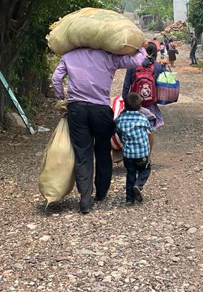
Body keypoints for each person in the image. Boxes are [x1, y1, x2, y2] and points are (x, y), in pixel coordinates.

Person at [52, 45, 146, 214]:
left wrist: (61, 98)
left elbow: (56, 79)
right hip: (101, 110)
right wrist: (143, 48)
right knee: (103, 150)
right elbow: (135, 60)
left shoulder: (69, 55)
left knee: (82, 154)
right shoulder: (108, 56)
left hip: (77, 109)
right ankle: (101, 192)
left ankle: (85, 199)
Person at [122, 42, 165, 151]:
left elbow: (126, 85)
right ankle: (148, 156)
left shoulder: (133, 65)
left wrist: (125, 102)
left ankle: (133, 152)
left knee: (133, 127)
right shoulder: (158, 66)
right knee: (149, 130)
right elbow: (163, 86)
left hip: (135, 104)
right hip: (151, 104)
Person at [115, 92, 153, 205]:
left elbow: (119, 133)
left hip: (128, 155)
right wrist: (150, 153)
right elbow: (149, 133)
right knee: (146, 169)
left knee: (130, 173)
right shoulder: (143, 118)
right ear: (140, 106)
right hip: (142, 153)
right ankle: (138, 184)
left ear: (125, 106)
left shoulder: (120, 119)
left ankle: (129, 199)